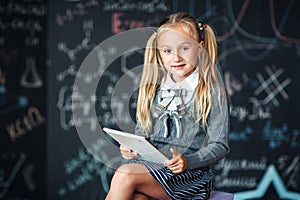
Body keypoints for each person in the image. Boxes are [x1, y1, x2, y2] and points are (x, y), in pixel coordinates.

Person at [105, 12, 230, 200]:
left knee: (124, 175)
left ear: (199, 49)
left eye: (184, 48)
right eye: (167, 51)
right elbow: (142, 134)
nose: (176, 57)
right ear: (159, 53)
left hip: (188, 177)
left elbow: (219, 145)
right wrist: (132, 149)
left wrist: (187, 161)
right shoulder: (153, 90)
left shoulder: (211, 91)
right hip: (153, 170)